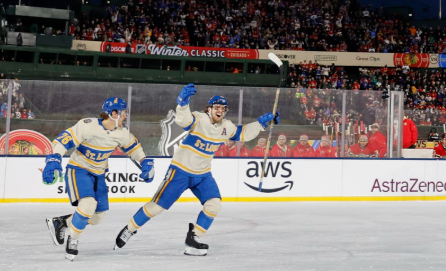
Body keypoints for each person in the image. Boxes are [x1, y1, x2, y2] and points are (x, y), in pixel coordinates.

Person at [114, 84, 276, 256]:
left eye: (223, 108)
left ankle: (194, 239)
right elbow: (183, 120)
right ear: (209, 109)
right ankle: (129, 229)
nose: (220, 110)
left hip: (203, 175)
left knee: (214, 205)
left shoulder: (226, 127)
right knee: (157, 207)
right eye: (216, 107)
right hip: (180, 171)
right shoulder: (200, 119)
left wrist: (260, 124)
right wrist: (182, 103)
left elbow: (243, 133)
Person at [43, 97, 154, 261]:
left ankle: (62, 223)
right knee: (88, 204)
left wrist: (145, 162)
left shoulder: (122, 133)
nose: (125, 116)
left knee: (97, 217)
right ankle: (73, 240)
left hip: (99, 174)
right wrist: (53, 158)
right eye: (123, 113)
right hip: (78, 170)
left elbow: (134, 148)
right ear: (113, 113)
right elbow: (64, 140)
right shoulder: (87, 125)